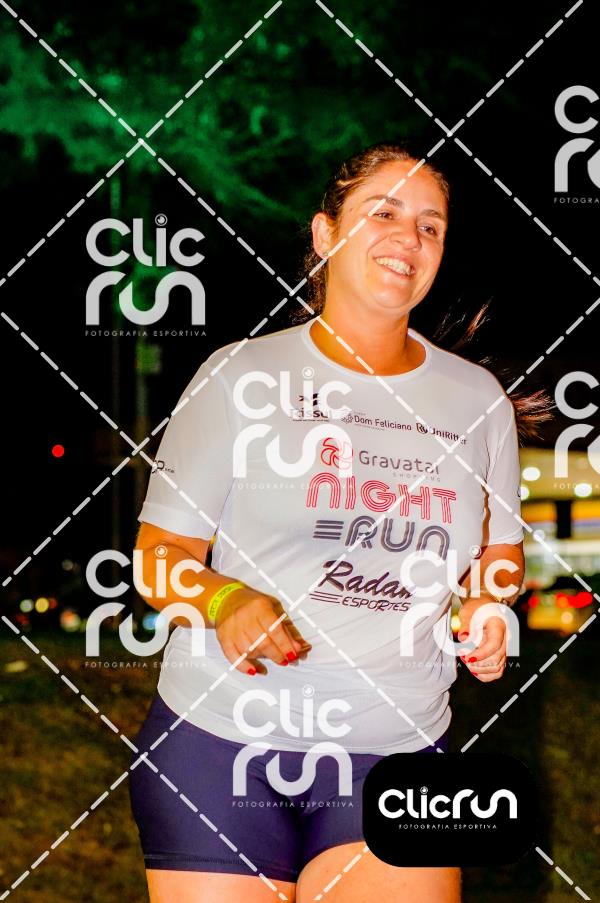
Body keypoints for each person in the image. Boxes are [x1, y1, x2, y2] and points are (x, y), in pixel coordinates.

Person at [128, 142, 533, 902]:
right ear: (325, 234)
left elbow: (499, 553)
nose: (408, 238)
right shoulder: (241, 376)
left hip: (396, 749)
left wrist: (485, 606)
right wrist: (223, 599)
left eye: (430, 226)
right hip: (219, 741)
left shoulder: (477, 401)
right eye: (384, 213)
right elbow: (157, 557)